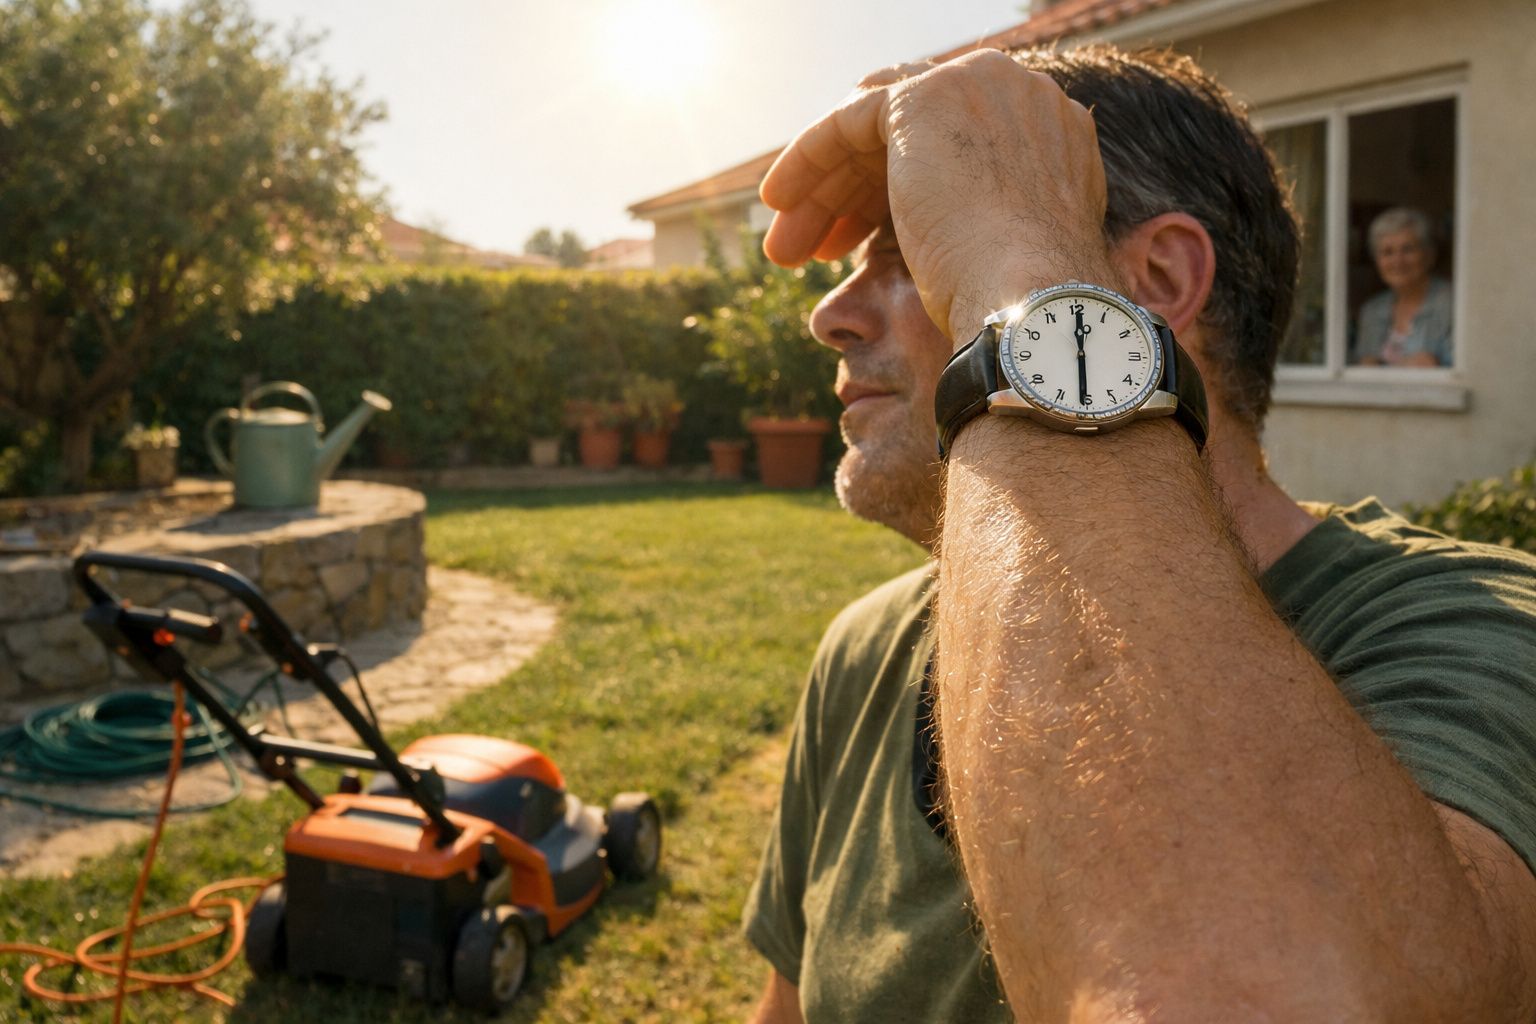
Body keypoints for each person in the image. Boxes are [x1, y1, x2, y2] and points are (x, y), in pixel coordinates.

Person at [740, 45, 1536, 1022]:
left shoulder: (1481, 634)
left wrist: (1013, 263)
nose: (829, 315)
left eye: (917, 250)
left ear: (1155, 281)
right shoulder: (865, 648)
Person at [1353, 206, 1453, 366]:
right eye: (1387, 252)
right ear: (1377, 261)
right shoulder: (1371, 311)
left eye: (1408, 249)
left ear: (1429, 255)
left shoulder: (1453, 304)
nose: (1397, 261)